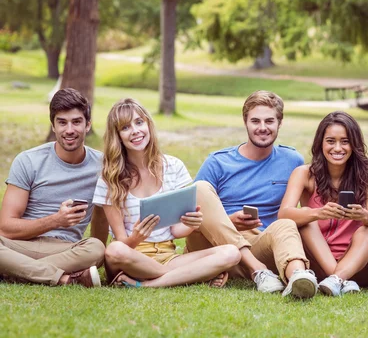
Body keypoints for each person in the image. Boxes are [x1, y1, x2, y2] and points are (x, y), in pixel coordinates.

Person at [185, 90, 319, 299]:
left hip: (260, 243)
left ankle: (299, 278)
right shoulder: (218, 162)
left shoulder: (292, 160)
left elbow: (301, 208)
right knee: (200, 188)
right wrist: (229, 222)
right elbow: (190, 215)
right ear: (245, 122)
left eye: (269, 121)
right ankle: (257, 270)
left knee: (286, 224)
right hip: (215, 246)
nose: (262, 128)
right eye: (255, 121)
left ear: (279, 123)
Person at [95, 98, 241, 288]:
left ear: (148, 124)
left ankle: (148, 284)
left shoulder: (173, 166)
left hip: (167, 257)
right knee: (114, 250)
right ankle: (191, 275)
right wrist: (136, 237)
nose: (135, 131)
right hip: (131, 258)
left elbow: (176, 231)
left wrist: (191, 225)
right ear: (118, 136)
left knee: (231, 252)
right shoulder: (109, 178)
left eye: (139, 122)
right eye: (125, 127)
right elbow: (122, 244)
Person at [0, 88, 105, 287]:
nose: (69, 130)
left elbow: (104, 216)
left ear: (88, 125)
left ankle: (13, 270)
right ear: (53, 126)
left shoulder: (102, 166)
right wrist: (56, 220)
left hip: (65, 249)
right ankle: (66, 278)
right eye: (62, 122)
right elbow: (5, 227)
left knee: (96, 248)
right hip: (21, 244)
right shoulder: (28, 160)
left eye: (76, 122)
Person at [278, 111, 368, 296]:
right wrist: (319, 213)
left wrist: (364, 216)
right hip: (318, 263)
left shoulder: (367, 176)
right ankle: (338, 279)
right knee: (306, 220)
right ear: (321, 143)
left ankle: (336, 279)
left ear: (354, 144)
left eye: (345, 141)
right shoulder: (304, 174)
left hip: (356, 268)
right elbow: (283, 214)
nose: (338, 148)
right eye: (331, 141)